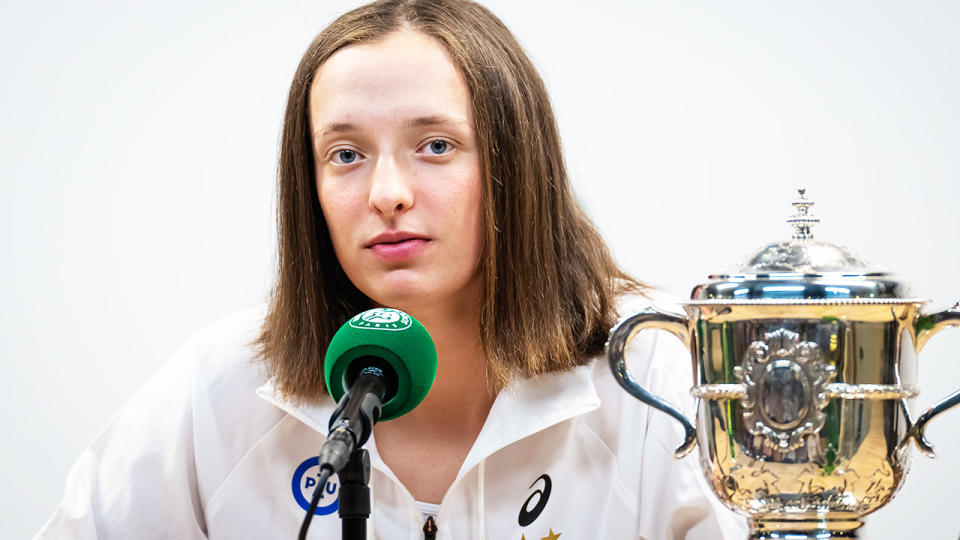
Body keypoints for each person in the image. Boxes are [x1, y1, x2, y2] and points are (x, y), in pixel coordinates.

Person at [37, 0, 747, 538]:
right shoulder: (221, 384)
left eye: (435, 145)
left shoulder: (657, 365)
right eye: (345, 154)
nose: (386, 194)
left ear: (514, 166)